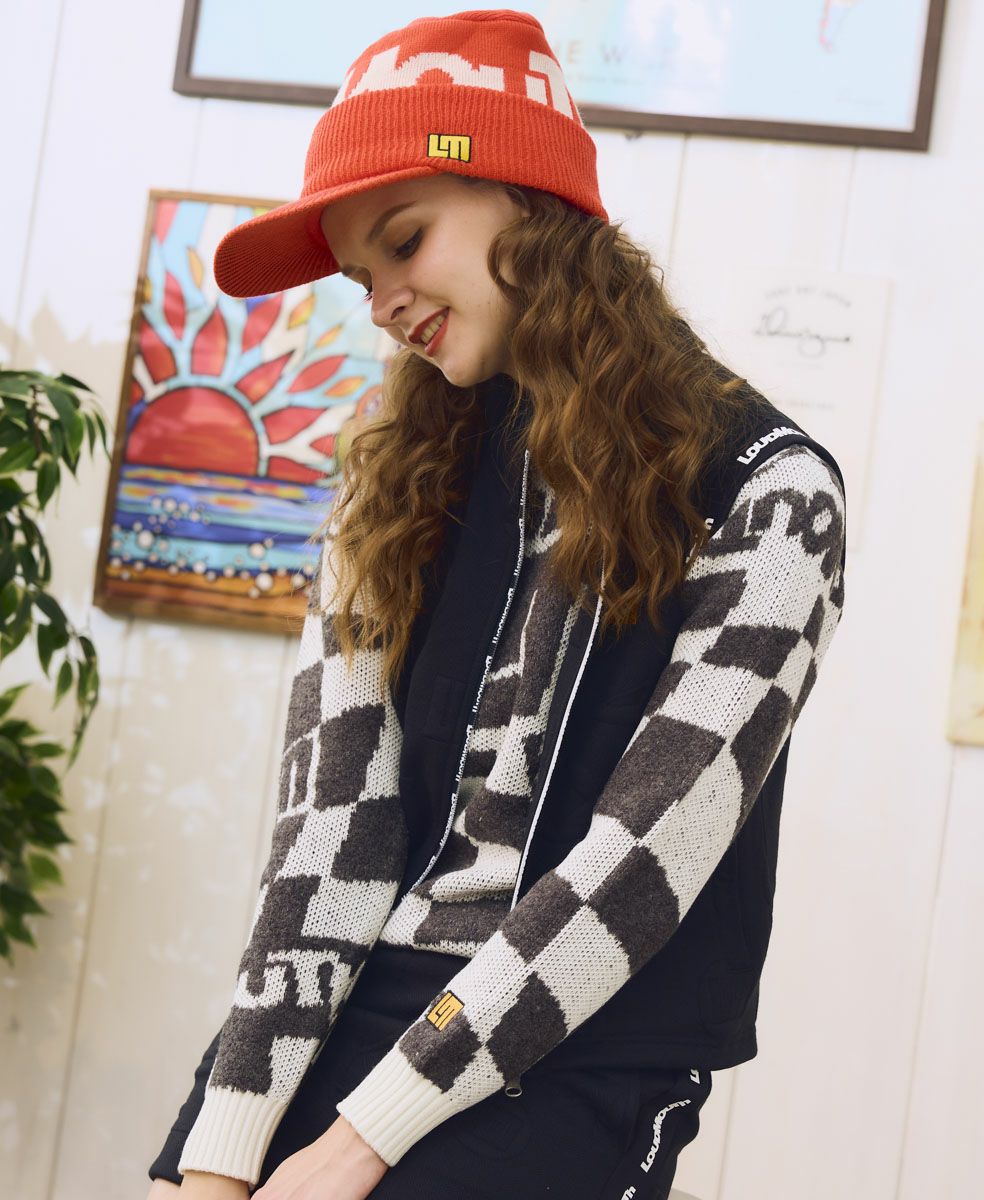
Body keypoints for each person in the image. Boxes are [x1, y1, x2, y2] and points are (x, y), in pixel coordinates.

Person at [146, 9, 847, 1199]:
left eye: (404, 240)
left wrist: (357, 1145)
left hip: (580, 1044)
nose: (382, 301)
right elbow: (327, 837)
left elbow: (642, 865)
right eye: (362, 277)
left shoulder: (768, 491)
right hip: (357, 1003)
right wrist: (220, 1145)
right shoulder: (392, 492)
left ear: (525, 197)